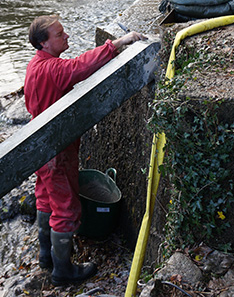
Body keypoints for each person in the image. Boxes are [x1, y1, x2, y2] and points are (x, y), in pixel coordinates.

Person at [24, 15, 146, 285]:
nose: (66, 36)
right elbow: (78, 68)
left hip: (38, 146)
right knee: (66, 209)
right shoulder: (53, 70)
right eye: (59, 34)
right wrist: (117, 44)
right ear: (44, 43)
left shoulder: (35, 65)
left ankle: (46, 256)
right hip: (56, 149)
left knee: (46, 199)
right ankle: (63, 271)